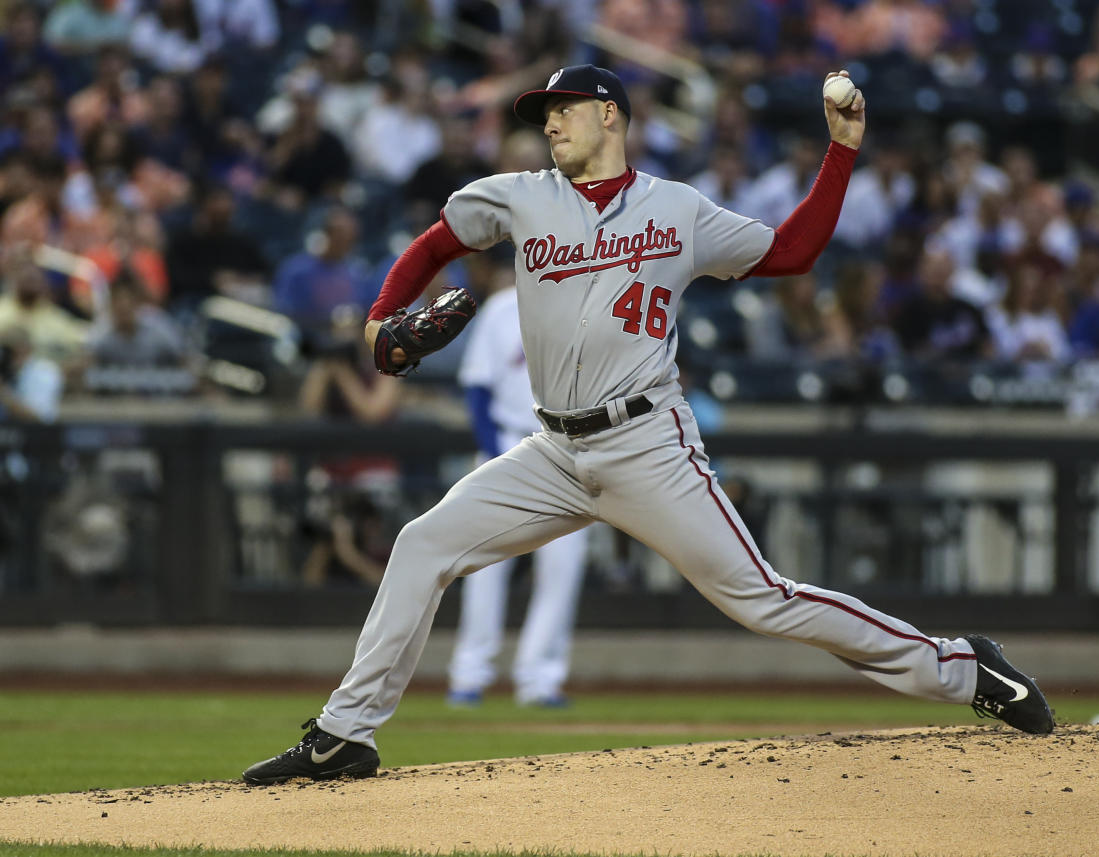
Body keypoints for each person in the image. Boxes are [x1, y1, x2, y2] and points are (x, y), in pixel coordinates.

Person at [242, 65, 1054, 786]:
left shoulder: (677, 209)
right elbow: (433, 244)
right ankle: (344, 736)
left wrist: (841, 149)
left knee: (763, 598)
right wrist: (380, 319)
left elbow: (792, 251)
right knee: (424, 543)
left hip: (647, 444)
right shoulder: (522, 196)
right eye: (542, 113)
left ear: (611, 116)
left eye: (564, 108)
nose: (550, 122)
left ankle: (963, 666)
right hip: (553, 450)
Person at [446, 275, 589, 709]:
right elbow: (476, 386)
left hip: (568, 448)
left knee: (562, 569)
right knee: (483, 565)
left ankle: (539, 679)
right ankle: (470, 675)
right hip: (507, 441)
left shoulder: (587, 308)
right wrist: (493, 455)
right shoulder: (502, 308)